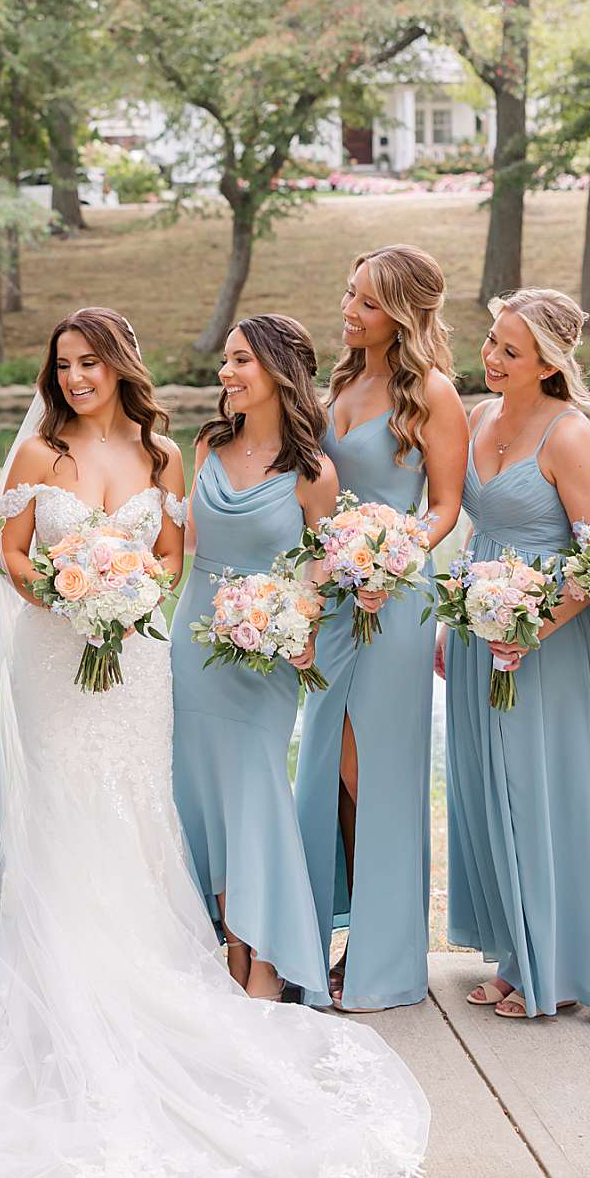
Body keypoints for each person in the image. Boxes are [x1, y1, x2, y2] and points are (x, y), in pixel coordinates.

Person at [0, 309, 429, 1178]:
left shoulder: (166, 455)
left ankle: (149, 966)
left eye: (90, 362)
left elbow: (174, 559)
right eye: (64, 364)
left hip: (135, 661)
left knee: (133, 810)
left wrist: (128, 593)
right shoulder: (38, 451)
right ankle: (55, 980)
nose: (77, 377)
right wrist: (61, 589)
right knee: (57, 808)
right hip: (51, 659)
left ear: (120, 365)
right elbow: (7, 551)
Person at [443, 289, 590, 1022]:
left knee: (540, 788)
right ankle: (515, 950)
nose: (491, 356)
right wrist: (457, 618)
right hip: (474, 619)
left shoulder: (570, 434)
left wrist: (531, 626)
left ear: (549, 361)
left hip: (546, 633)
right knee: (487, 785)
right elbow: (468, 523)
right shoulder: (478, 413)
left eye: (509, 350)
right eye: (491, 340)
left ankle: (559, 965)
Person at [295, 248, 468, 1011]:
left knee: (374, 774)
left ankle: (381, 949)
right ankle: (326, 931)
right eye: (348, 293)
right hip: (333, 592)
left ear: (400, 311)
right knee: (326, 763)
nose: (348, 310)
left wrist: (391, 556)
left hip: (392, 598)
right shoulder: (339, 382)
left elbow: (444, 506)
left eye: (364, 301)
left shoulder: (433, 393)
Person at [169, 315, 337, 1002]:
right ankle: (229, 948)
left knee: (253, 792)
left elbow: (321, 571)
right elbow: (181, 548)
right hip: (193, 643)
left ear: (277, 370)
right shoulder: (209, 442)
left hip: (263, 659)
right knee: (202, 795)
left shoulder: (311, 471)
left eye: (241, 361)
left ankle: (265, 958)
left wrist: (297, 628)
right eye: (227, 361)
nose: (226, 373)